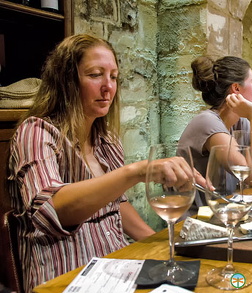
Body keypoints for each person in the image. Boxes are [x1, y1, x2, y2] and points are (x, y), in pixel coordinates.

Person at [7, 34, 205, 293]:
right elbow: (52, 210)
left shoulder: (106, 139)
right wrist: (136, 171)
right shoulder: (35, 132)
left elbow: (116, 204)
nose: (108, 87)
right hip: (64, 278)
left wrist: (162, 246)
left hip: (117, 268)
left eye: (113, 76)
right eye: (95, 75)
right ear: (66, 80)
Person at [179, 56, 252, 212]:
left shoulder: (242, 122)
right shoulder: (208, 122)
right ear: (236, 88)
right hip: (197, 220)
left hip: (226, 209)